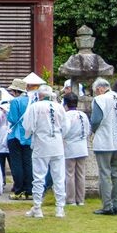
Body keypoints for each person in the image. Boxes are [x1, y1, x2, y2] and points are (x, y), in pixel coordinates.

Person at [23, 85, 68, 218]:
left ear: (40, 95)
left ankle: (37, 207)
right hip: (57, 144)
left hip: (41, 144)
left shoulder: (35, 107)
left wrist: (29, 134)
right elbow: (66, 127)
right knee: (59, 178)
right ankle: (60, 208)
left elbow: (28, 126)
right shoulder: (59, 107)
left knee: (38, 177)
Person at [90, 78, 117, 215]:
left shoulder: (100, 100)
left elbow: (96, 120)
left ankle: (107, 206)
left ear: (99, 89)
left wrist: (94, 130)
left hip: (104, 142)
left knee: (104, 174)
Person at [6, 77, 33, 200]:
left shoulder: (15, 102)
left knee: (17, 164)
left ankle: (19, 190)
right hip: (28, 135)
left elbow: (12, 119)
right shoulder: (31, 102)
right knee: (28, 163)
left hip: (15, 135)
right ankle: (29, 190)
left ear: (16, 91)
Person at [62, 92, 90, 206]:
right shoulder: (83, 115)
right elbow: (88, 130)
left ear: (65, 104)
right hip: (82, 146)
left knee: (69, 174)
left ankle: (70, 199)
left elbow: (64, 131)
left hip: (70, 146)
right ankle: (80, 199)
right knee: (80, 174)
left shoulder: (67, 116)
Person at [0, 90, 12, 191]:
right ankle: (16, 182)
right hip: (9, 139)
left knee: (0, 163)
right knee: (12, 163)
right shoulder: (11, 112)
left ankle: (2, 181)